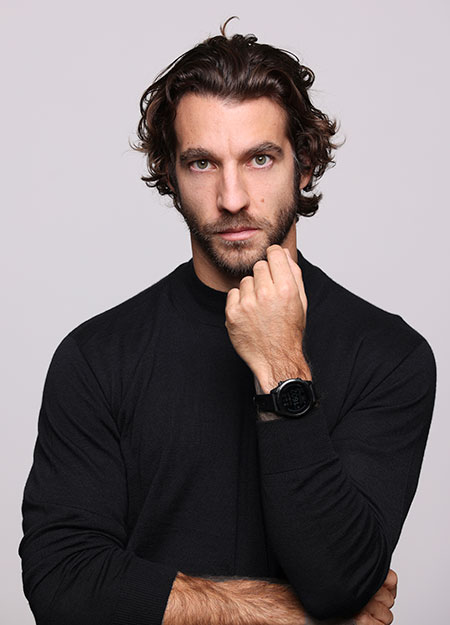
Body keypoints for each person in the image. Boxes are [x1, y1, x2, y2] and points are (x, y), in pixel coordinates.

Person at [19, 18, 436, 625]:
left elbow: (341, 581)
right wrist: (287, 614)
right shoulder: (97, 356)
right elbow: (63, 582)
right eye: (202, 163)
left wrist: (280, 366)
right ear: (170, 175)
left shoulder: (389, 355)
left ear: (305, 165)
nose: (233, 197)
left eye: (260, 158)